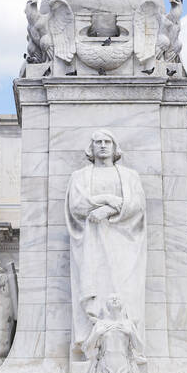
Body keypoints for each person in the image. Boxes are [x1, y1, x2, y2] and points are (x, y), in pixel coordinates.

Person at [65, 130, 147, 352]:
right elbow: (77, 205)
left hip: (125, 242)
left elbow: (137, 204)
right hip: (92, 241)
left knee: (125, 288)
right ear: (91, 148)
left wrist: (107, 211)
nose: (102, 145)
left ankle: (128, 342)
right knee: (95, 286)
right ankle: (92, 340)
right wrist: (108, 199)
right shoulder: (80, 176)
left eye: (107, 142)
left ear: (114, 146)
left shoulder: (130, 176)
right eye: (98, 142)